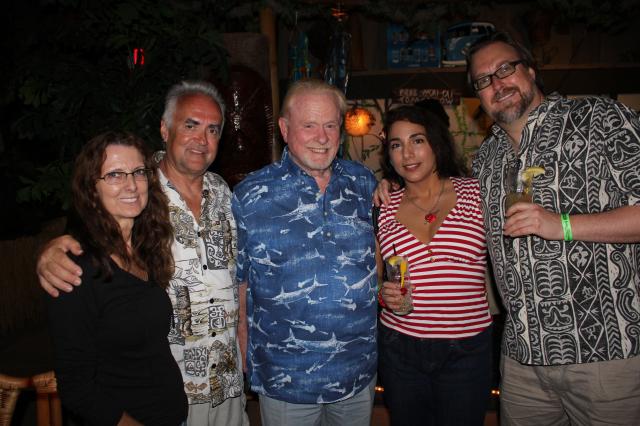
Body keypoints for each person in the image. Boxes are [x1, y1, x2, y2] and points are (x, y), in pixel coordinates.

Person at [37, 81, 250, 426]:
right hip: (171, 384)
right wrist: (48, 252)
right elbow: (87, 233)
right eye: (191, 125)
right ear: (165, 130)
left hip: (227, 381)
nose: (202, 139)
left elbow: (239, 272)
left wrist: (243, 336)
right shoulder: (140, 192)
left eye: (213, 129)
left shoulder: (223, 192)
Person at [465, 32, 640, 425]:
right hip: (522, 359)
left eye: (505, 69)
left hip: (606, 355)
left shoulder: (599, 118)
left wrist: (560, 224)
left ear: (530, 70)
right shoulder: (485, 158)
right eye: (483, 80)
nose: (497, 84)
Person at [231, 79, 378, 426]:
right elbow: (239, 283)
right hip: (287, 376)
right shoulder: (250, 194)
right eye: (309, 125)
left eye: (330, 125)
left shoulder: (363, 182)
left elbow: (380, 253)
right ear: (285, 129)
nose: (322, 137)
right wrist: (242, 349)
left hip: (357, 371)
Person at [46, 131, 188, 425]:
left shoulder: (146, 249)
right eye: (114, 175)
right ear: (91, 188)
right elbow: (76, 388)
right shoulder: (75, 269)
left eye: (138, 172)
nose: (131, 185)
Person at [376, 105, 492, 426]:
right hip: (401, 346)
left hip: (466, 348)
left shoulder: (476, 193)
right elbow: (375, 279)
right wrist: (384, 294)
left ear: (436, 144)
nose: (407, 154)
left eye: (417, 140)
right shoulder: (383, 207)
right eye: (396, 144)